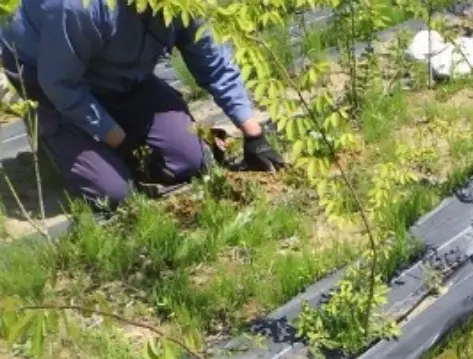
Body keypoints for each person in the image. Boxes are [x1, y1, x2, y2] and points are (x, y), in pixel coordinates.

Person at [0, 0, 285, 211]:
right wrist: (125, 145)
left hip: (120, 75)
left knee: (189, 161)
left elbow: (213, 61)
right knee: (114, 194)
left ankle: (127, 114)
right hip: (47, 79)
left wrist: (253, 134)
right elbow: (61, 85)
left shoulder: (185, 5)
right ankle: (55, 135)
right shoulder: (80, 8)